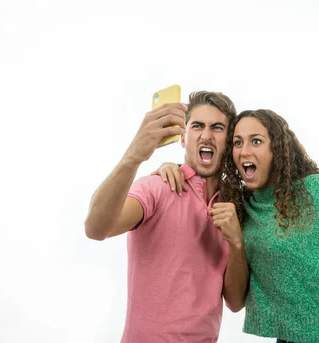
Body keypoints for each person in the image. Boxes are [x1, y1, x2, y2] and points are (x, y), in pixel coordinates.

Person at [155, 93, 319, 343]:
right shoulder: (241, 206)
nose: (244, 151)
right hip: (288, 340)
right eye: (237, 142)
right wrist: (171, 168)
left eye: (256, 141)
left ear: (276, 149)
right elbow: (204, 185)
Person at [83, 90, 248, 343]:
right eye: (197, 126)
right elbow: (95, 229)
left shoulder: (233, 208)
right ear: (183, 137)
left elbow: (235, 303)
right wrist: (134, 156)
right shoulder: (157, 187)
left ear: (229, 141)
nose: (206, 135)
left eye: (217, 128)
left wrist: (237, 243)